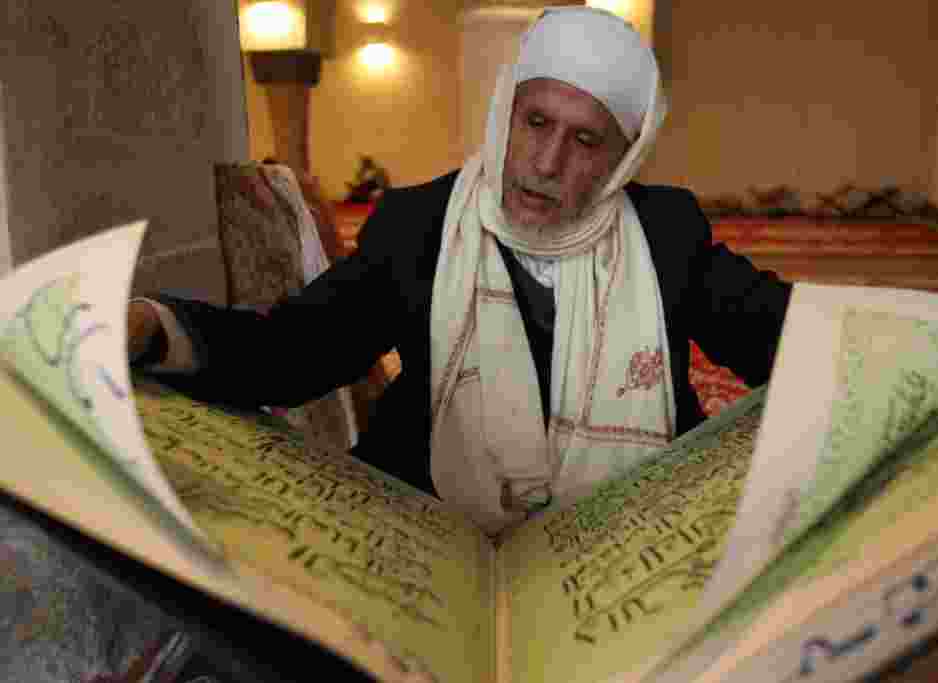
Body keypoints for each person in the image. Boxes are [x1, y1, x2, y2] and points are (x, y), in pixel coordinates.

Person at [128, 7, 792, 536]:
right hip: (439, 530)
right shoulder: (420, 226)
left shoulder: (665, 234)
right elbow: (291, 351)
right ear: (506, 110)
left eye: (586, 140)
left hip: (626, 547)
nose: (546, 160)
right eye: (535, 122)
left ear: (624, 156)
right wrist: (157, 326)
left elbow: (784, 335)